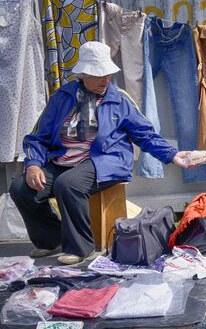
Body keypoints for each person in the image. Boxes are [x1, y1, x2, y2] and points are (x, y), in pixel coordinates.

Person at [9, 41, 195, 265]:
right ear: (84, 74)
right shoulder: (62, 97)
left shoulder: (119, 99)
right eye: (98, 74)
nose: (105, 79)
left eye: (107, 73)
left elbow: (146, 134)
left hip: (105, 160)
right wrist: (33, 164)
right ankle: (51, 239)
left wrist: (173, 155)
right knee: (20, 188)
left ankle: (81, 247)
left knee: (68, 184)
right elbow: (38, 136)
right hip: (64, 160)